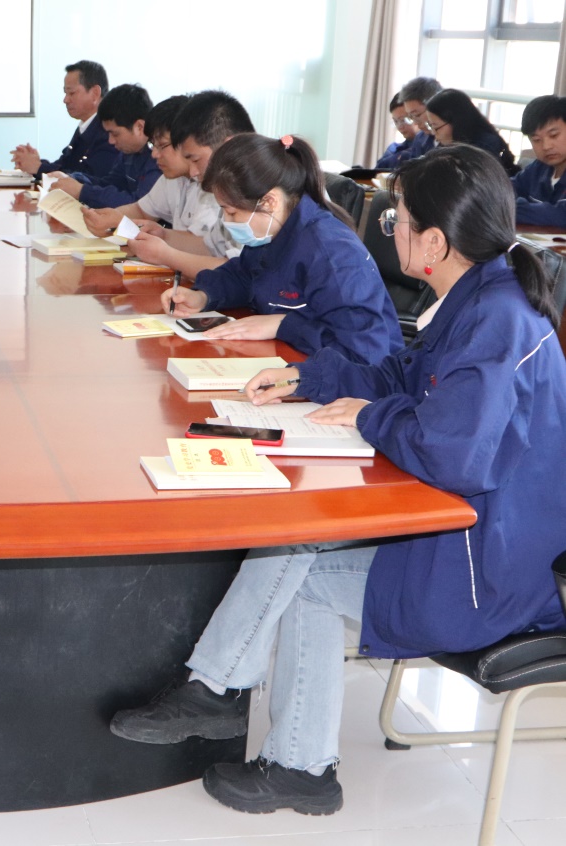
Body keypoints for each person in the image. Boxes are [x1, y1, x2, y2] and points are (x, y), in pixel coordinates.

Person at [111, 144, 566, 816]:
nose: (391, 230)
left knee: (306, 574)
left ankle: (280, 749)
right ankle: (225, 697)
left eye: (397, 220)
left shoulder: (495, 322)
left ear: (433, 242)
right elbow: (401, 375)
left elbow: (452, 455)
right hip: (478, 536)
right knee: (297, 545)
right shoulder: (478, 297)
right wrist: (309, 377)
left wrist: (368, 415)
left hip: (490, 572)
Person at [161, 133, 402, 364]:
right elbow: (244, 276)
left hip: (354, 381)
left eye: (232, 212)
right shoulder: (271, 232)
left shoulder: (333, 254)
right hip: (291, 359)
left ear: (269, 202)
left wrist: (283, 325)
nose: (227, 221)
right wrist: (203, 295)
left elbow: (363, 354)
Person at [124, 90, 255, 278]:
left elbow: (238, 272)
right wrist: (163, 236)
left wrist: (167, 256)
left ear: (228, 145)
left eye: (195, 160)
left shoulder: (258, 190)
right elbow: (210, 247)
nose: (193, 172)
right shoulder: (231, 189)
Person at [82, 95, 229, 263]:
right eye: (153, 145)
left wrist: (161, 240)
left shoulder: (213, 182)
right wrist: (106, 218)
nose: (154, 154)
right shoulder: (173, 177)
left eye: (162, 145)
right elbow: (142, 210)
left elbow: (207, 249)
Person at [47, 83, 162, 206]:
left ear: (139, 127)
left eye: (115, 134)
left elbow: (139, 206)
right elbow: (109, 184)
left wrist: (82, 191)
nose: (111, 141)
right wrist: (73, 178)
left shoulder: (159, 157)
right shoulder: (128, 152)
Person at [10, 60, 116, 179]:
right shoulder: (85, 126)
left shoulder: (109, 131)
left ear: (95, 93)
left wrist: (39, 167)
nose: (65, 100)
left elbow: (88, 178)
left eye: (72, 93)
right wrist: (36, 163)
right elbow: (65, 165)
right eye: (65, 93)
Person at [424, 88, 520, 176]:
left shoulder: (485, 146)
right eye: (430, 125)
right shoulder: (447, 144)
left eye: (435, 126)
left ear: (456, 122)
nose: (433, 132)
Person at [513, 94, 566, 227]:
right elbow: (503, 190)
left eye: (553, 135)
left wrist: (509, 209)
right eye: (536, 140)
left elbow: (561, 215)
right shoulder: (538, 168)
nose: (546, 146)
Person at [399, 76, 443, 159]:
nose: (415, 123)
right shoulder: (420, 139)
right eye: (410, 117)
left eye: (417, 115)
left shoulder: (455, 138)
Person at [374, 92, 418, 168]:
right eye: (396, 121)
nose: (400, 127)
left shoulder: (427, 146)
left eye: (403, 120)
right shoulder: (393, 149)